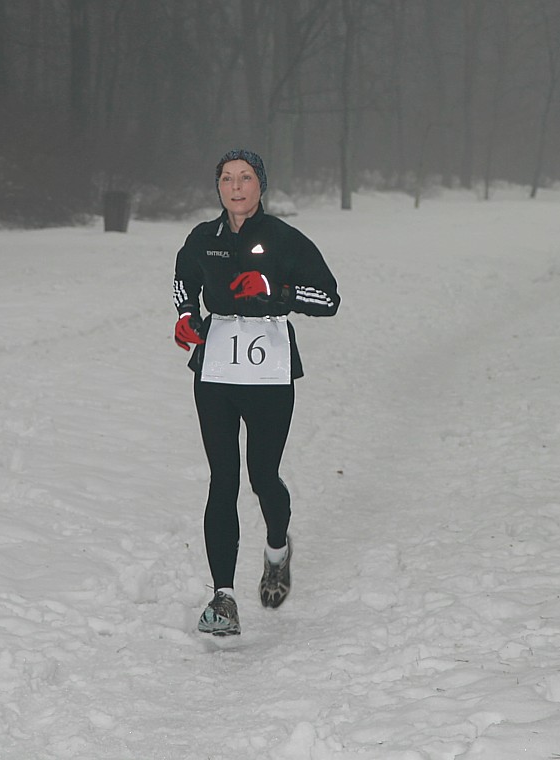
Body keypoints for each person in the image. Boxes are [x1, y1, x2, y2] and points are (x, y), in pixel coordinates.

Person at [172, 148, 340, 636]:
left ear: (260, 185)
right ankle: (223, 598)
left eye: (245, 178)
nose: (236, 187)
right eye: (227, 178)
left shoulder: (285, 239)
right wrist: (186, 316)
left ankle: (277, 549)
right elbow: (183, 280)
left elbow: (329, 298)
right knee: (222, 478)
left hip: (270, 373)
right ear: (218, 187)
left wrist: (277, 292)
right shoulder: (203, 239)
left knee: (262, 476)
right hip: (216, 370)